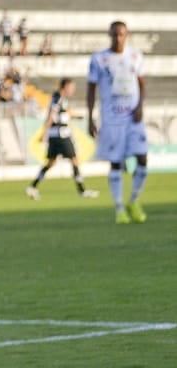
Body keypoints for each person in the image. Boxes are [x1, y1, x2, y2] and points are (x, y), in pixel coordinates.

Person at [87, 20, 149, 224]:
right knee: (116, 162)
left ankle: (134, 200)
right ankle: (119, 208)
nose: (118, 38)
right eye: (115, 34)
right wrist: (90, 117)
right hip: (112, 119)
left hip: (133, 117)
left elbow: (141, 83)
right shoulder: (99, 59)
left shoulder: (135, 56)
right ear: (110, 35)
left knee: (142, 158)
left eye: (121, 34)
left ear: (127, 35)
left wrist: (140, 107)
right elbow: (91, 89)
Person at [25, 78, 99, 200]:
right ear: (65, 87)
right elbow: (51, 115)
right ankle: (82, 190)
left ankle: (33, 186)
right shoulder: (58, 97)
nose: (72, 90)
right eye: (71, 87)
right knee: (74, 160)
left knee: (51, 163)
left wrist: (76, 116)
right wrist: (45, 132)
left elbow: (61, 114)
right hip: (61, 134)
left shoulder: (58, 98)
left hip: (56, 134)